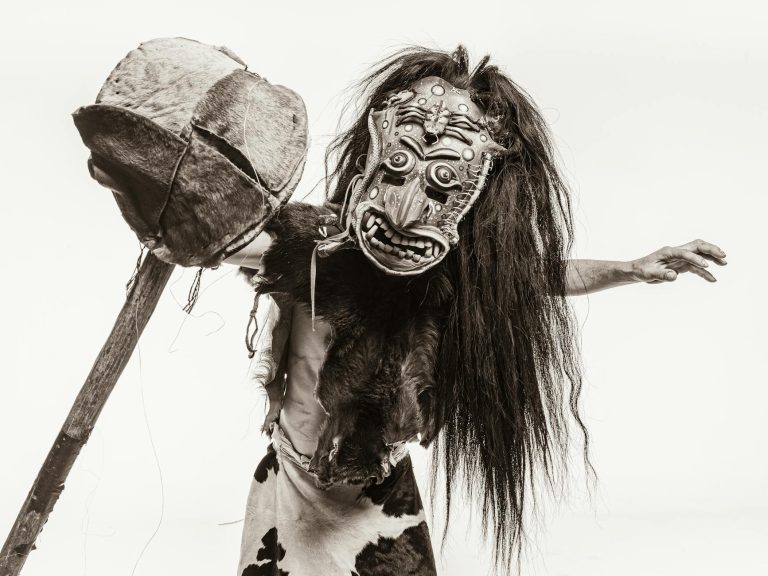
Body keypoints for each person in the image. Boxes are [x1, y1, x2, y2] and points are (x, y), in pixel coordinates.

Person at [222, 46, 727, 576]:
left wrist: (630, 268)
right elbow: (229, 240)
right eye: (402, 161)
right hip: (292, 482)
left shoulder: (451, 269)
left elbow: (538, 276)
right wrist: (178, 210)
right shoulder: (316, 246)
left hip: (375, 485)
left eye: (441, 174)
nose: (411, 202)